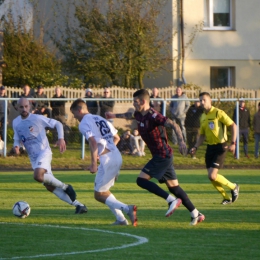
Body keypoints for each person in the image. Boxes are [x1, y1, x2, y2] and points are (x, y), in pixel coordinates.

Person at [106, 89, 205, 226]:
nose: (134, 104)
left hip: (162, 155)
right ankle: (196, 214)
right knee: (174, 187)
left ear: (143, 101)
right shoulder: (139, 114)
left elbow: (174, 124)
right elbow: (130, 115)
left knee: (141, 180)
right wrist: (114, 115)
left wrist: (182, 141)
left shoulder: (154, 116)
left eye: (135, 102)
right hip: (162, 155)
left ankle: (171, 200)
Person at [12, 97, 87, 214]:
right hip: (33, 158)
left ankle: (65, 187)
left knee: (37, 176)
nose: (24, 109)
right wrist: (16, 146)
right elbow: (17, 137)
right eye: (21, 107)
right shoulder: (16, 122)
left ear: (30, 107)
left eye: (26, 106)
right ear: (17, 108)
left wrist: (61, 139)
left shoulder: (37, 118)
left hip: (44, 152)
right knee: (49, 186)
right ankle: (79, 206)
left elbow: (58, 124)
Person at [70, 99, 137, 226]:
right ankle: (121, 219)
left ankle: (128, 209)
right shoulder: (100, 119)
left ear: (79, 110)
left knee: (98, 195)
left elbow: (93, 142)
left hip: (108, 159)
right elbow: (116, 138)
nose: (74, 117)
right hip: (116, 155)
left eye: (74, 113)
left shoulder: (84, 123)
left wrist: (93, 163)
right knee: (104, 191)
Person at [190, 92, 240, 205]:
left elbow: (233, 125)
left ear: (210, 101)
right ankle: (226, 198)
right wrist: (195, 147)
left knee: (212, 175)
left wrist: (233, 143)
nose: (202, 102)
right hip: (210, 147)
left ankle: (234, 187)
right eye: (200, 100)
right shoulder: (203, 116)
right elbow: (202, 135)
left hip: (221, 146)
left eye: (204, 100)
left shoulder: (218, 113)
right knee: (211, 177)